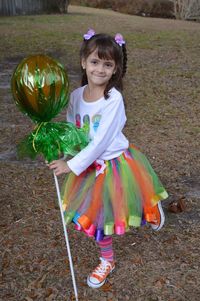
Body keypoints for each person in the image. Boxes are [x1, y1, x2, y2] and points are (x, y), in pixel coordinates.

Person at [49, 28, 168, 289]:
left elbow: (100, 142)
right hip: (88, 167)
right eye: (94, 62)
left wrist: (71, 165)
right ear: (83, 62)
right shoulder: (75, 96)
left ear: (115, 69)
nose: (100, 69)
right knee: (100, 218)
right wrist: (63, 150)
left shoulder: (113, 100)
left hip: (114, 164)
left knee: (128, 201)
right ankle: (107, 260)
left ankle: (151, 206)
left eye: (107, 64)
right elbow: (72, 130)